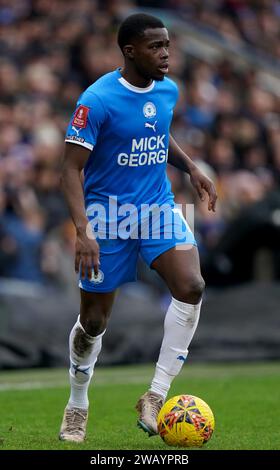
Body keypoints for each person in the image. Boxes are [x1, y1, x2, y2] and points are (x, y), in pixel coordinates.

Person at [59, 13, 217, 443]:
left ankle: (155, 394)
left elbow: (156, 133)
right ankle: (77, 403)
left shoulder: (168, 90)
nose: (165, 53)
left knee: (192, 285)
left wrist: (190, 167)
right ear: (130, 51)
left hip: (158, 209)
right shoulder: (97, 99)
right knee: (93, 322)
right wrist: (83, 230)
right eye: (155, 47)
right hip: (106, 218)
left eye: (167, 44)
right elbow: (70, 170)